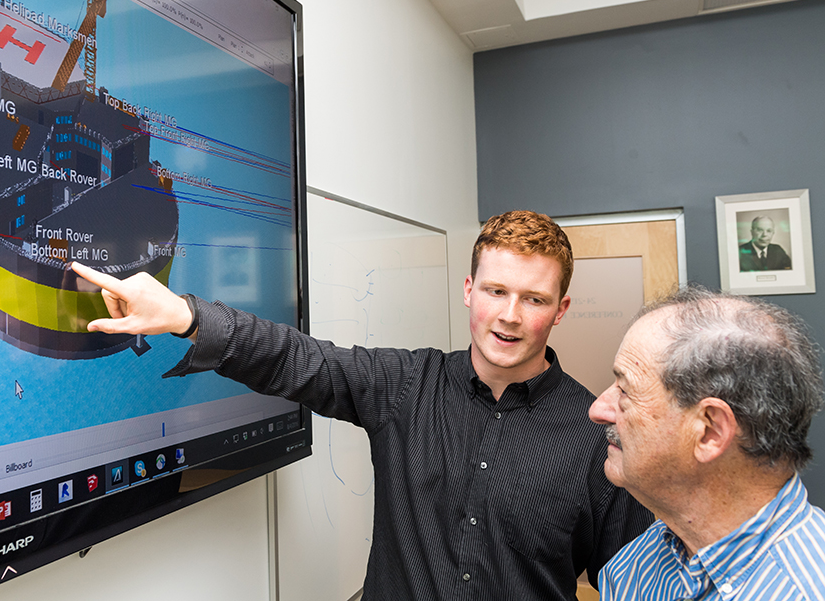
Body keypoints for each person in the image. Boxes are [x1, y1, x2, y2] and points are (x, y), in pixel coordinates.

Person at [71, 210, 652, 600]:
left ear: (561, 309)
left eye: (534, 299)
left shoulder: (597, 433)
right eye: (497, 291)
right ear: (469, 290)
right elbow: (293, 358)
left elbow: (637, 583)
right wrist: (187, 317)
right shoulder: (406, 385)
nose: (509, 315)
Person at [589, 286, 825, 600]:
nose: (597, 409)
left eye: (625, 390)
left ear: (710, 431)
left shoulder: (806, 589)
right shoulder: (633, 569)